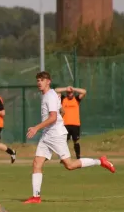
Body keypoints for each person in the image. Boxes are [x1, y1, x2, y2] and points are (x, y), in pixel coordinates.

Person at [24, 71, 114, 204]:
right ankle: (36, 197)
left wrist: (36, 127)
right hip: (47, 135)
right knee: (37, 163)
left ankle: (100, 161)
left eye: (42, 80)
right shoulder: (51, 94)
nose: (39, 83)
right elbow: (62, 111)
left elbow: (53, 118)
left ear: (48, 81)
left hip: (55, 135)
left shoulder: (50, 96)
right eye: (37, 80)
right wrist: (60, 111)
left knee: (70, 165)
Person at [56, 85, 87, 159]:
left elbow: (84, 92)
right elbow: (56, 90)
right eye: (68, 92)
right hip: (65, 124)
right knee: (64, 142)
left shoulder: (76, 99)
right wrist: (65, 88)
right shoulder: (63, 99)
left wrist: (74, 89)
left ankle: (78, 156)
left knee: (76, 141)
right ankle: (64, 157)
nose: (69, 94)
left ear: (73, 93)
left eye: (71, 92)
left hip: (75, 124)